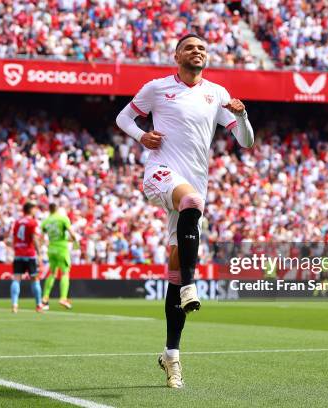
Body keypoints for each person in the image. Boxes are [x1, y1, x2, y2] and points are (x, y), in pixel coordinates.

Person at [115, 33, 254, 388]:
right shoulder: (157, 88)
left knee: (174, 272)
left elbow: (246, 141)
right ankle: (192, 286)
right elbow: (124, 118)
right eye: (190, 47)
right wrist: (140, 136)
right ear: (177, 54)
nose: (197, 52)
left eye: (202, 48)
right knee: (192, 204)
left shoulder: (218, 94)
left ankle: (171, 356)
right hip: (162, 174)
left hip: (195, 182)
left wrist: (243, 115)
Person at [41, 202, 77, 310]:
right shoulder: (63, 219)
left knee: (52, 273)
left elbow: (42, 237)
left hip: (51, 249)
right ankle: (63, 298)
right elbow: (72, 234)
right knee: (65, 273)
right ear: (57, 209)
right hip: (62, 249)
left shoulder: (46, 221)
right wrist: (75, 242)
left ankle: (45, 298)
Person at [11, 202, 45, 313]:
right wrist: (39, 253)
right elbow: (34, 238)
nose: (36, 211)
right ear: (30, 210)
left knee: (16, 278)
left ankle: (14, 304)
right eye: (35, 209)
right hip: (29, 254)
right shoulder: (32, 222)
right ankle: (39, 305)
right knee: (35, 279)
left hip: (18, 254)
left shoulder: (17, 222)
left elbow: (14, 238)